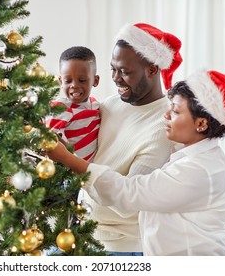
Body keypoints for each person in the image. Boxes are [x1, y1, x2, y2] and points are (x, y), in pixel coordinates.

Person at [47, 69, 225, 255]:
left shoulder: (199, 170)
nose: (165, 115)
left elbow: (129, 193)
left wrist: (66, 157)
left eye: (175, 111)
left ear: (201, 123)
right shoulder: (192, 157)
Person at [76, 23, 183, 256]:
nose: (115, 79)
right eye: (112, 69)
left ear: (153, 70)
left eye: (124, 71)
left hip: (121, 247)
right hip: (81, 232)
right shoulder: (111, 104)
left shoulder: (164, 126)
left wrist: (69, 162)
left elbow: (129, 203)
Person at [45, 46, 100, 161]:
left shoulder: (96, 105)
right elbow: (49, 140)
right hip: (66, 170)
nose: (74, 85)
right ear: (60, 81)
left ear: (95, 81)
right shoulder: (60, 108)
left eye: (82, 80)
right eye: (68, 81)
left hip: (90, 170)